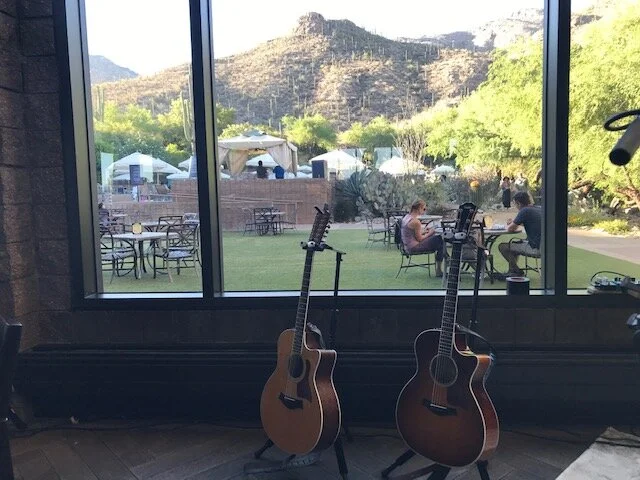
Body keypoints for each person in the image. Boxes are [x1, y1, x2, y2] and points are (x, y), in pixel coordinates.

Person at [496, 191, 541, 279]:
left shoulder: (524, 210)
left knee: (503, 247)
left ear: (518, 203)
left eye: (515, 204)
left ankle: (516, 271)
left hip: (535, 247)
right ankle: (512, 271)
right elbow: (532, 222)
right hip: (546, 247)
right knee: (514, 244)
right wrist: (516, 222)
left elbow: (511, 229)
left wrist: (512, 224)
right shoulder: (538, 209)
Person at [400, 199, 446, 277]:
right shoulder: (416, 222)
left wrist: (424, 231)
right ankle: (440, 269)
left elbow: (411, 233)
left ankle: (445, 259)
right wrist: (431, 232)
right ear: (419, 208)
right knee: (439, 239)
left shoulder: (407, 217)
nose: (424, 211)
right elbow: (420, 239)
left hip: (407, 246)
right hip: (414, 247)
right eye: (424, 209)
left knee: (438, 241)